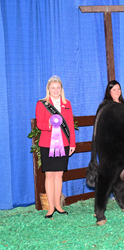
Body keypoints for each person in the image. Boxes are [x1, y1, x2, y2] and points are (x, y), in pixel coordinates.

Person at [35, 75, 76, 218]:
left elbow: (70, 125)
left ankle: (58, 205)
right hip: (47, 144)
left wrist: (72, 144)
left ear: (61, 89)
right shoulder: (42, 104)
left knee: (59, 174)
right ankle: (50, 207)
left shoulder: (67, 103)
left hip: (63, 143)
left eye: (58, 87)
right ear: (48, 89)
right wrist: (50, 125)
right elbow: (40, 124)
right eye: (53, 88)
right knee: (49, 175)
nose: (56, 90)